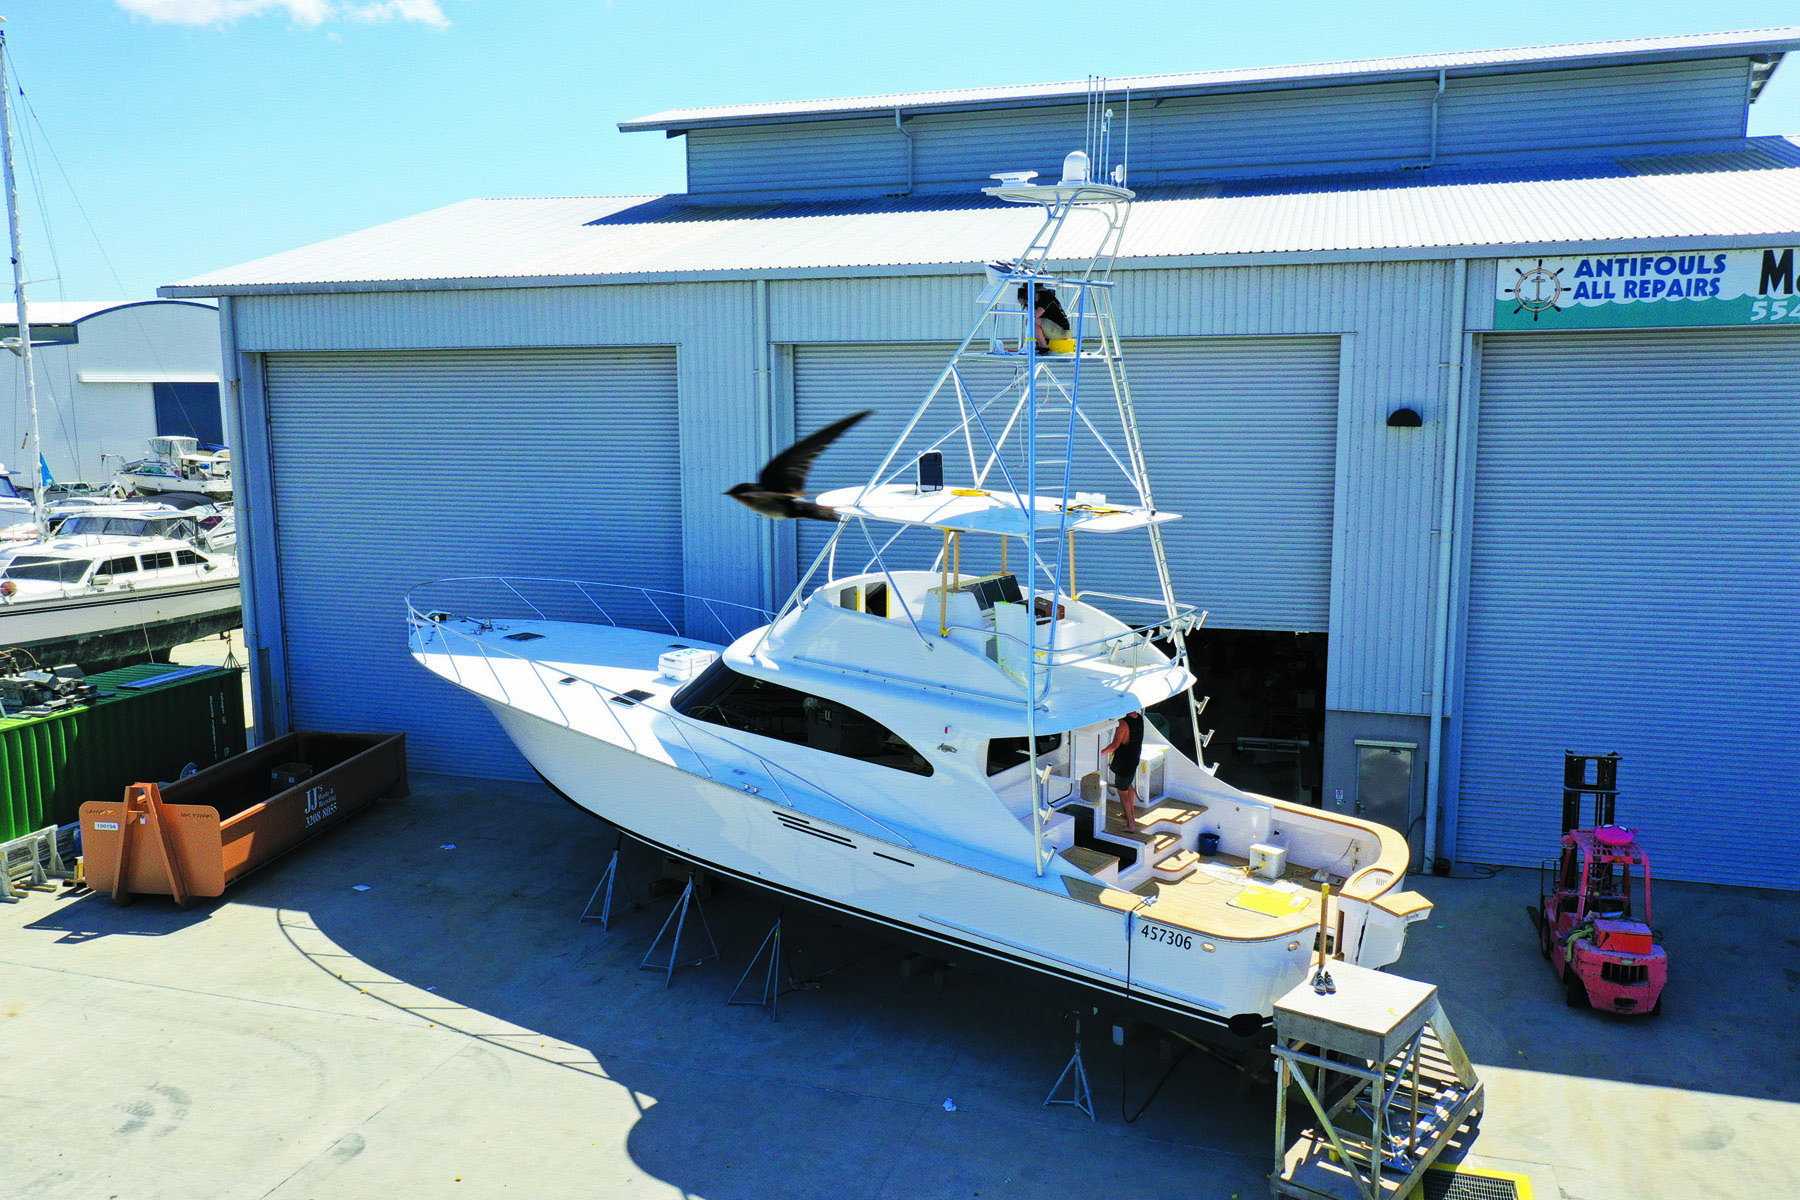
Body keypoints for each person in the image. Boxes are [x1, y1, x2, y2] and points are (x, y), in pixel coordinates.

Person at [1101, 709, 1145, 828]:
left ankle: (1130, 825)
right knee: (1128, 786)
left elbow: (1114, 746)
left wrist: (1098, 753)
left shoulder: (1123, 724)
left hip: (1124, 762)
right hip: (1134, 758)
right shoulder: (1139, 718)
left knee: (1122, 791)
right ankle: (1131, 815)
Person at [1017, 281, 1074, 353]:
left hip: (1062, 331)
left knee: (1030, 321)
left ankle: (1044, 347)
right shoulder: (1036, 301)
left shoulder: (1046, 297)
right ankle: (1040, 345)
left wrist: (1025, 305)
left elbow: (1036, 314)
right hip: (1053, 329)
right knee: (1031, 322)